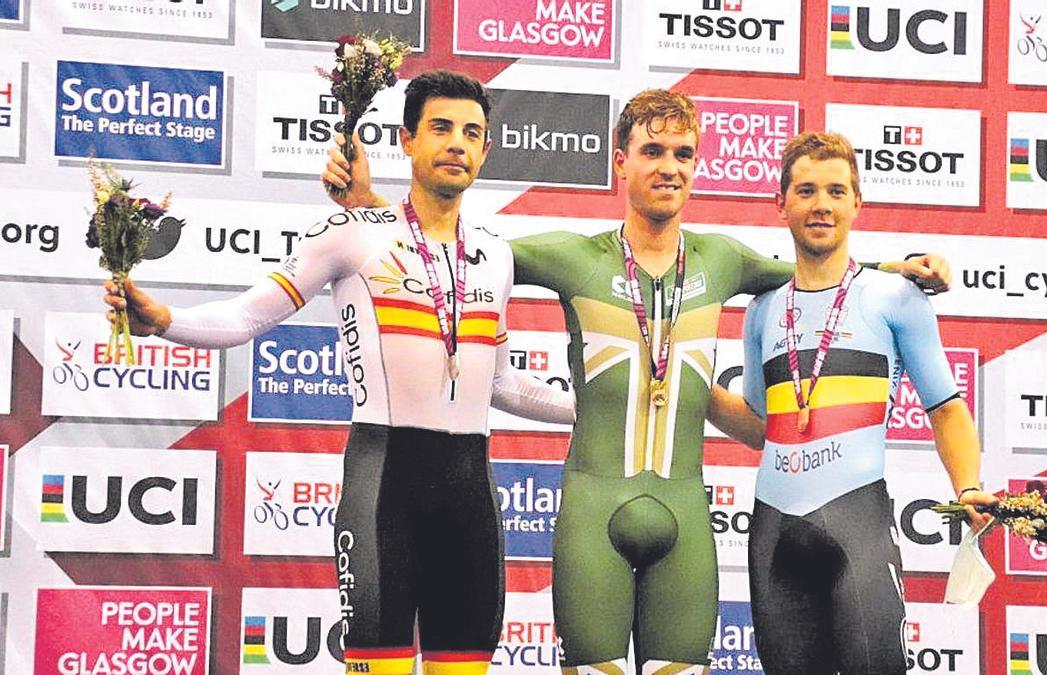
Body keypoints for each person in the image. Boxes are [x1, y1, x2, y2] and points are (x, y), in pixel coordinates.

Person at [324, 90, 952, 675]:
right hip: (593, 514)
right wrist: (373, 208)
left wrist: (898, 268)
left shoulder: (724, 260)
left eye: (683, 154)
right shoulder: (572, 256)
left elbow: (817, 265)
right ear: (621, 163)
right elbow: (452, 246)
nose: (668, 167)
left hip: (684, 516)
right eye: (652, 152)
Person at [103, 70, 575, 675]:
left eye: (472, 132)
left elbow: (504, 384)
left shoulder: (494, 253)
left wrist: (598, 409)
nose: (456, 142)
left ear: (486, 150)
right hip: (385, 484)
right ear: (406, 140)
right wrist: (164, 319)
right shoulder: (352, 234)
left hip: (469, 492)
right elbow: (248, 317)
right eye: (440, 127)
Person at [731, 131, 998, 674]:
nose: (821, 205)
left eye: (835, 191)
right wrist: (692, 390)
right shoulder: (761, 311)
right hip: (772, 531)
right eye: (805, 191)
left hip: (857, 520)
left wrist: (967, 485)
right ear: (780, 204)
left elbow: (945, 407)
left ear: (857, 203)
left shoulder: (896, 298)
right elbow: (763, 426)